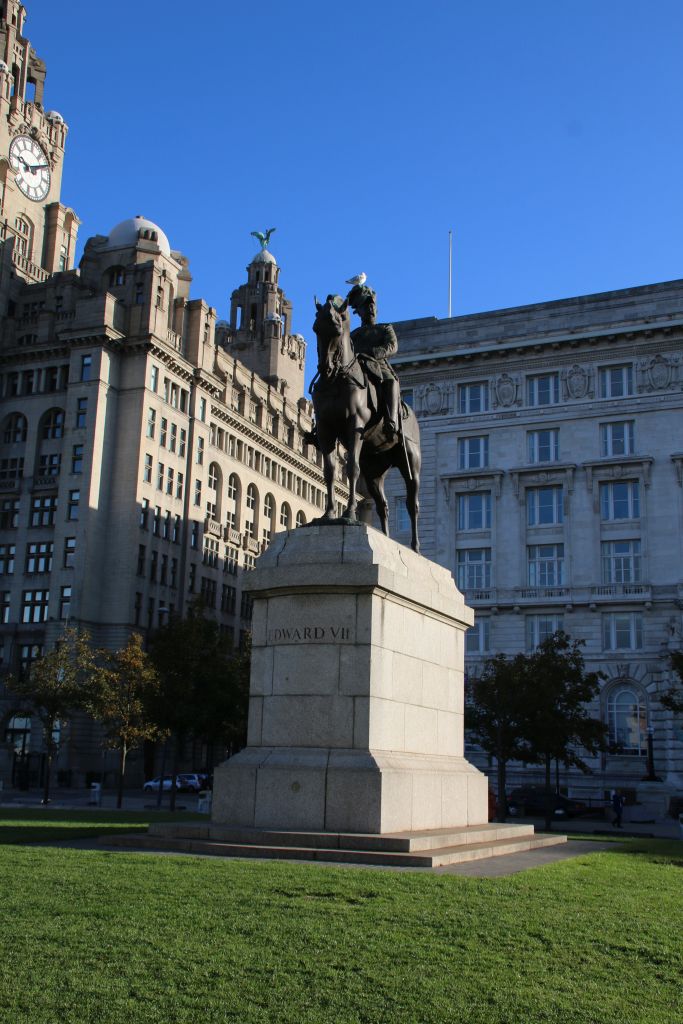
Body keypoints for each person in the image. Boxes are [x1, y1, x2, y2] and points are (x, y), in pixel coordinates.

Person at [347, 283, 401, 439]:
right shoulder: (353, 335)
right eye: (366, 306)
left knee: (391, 381)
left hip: (378, 366)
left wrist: (373, 353)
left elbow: (392, 346)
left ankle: (391, 421)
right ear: (359, 311)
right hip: (356, 367)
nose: (370, 308)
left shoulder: (385, 328)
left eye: (372, 305)